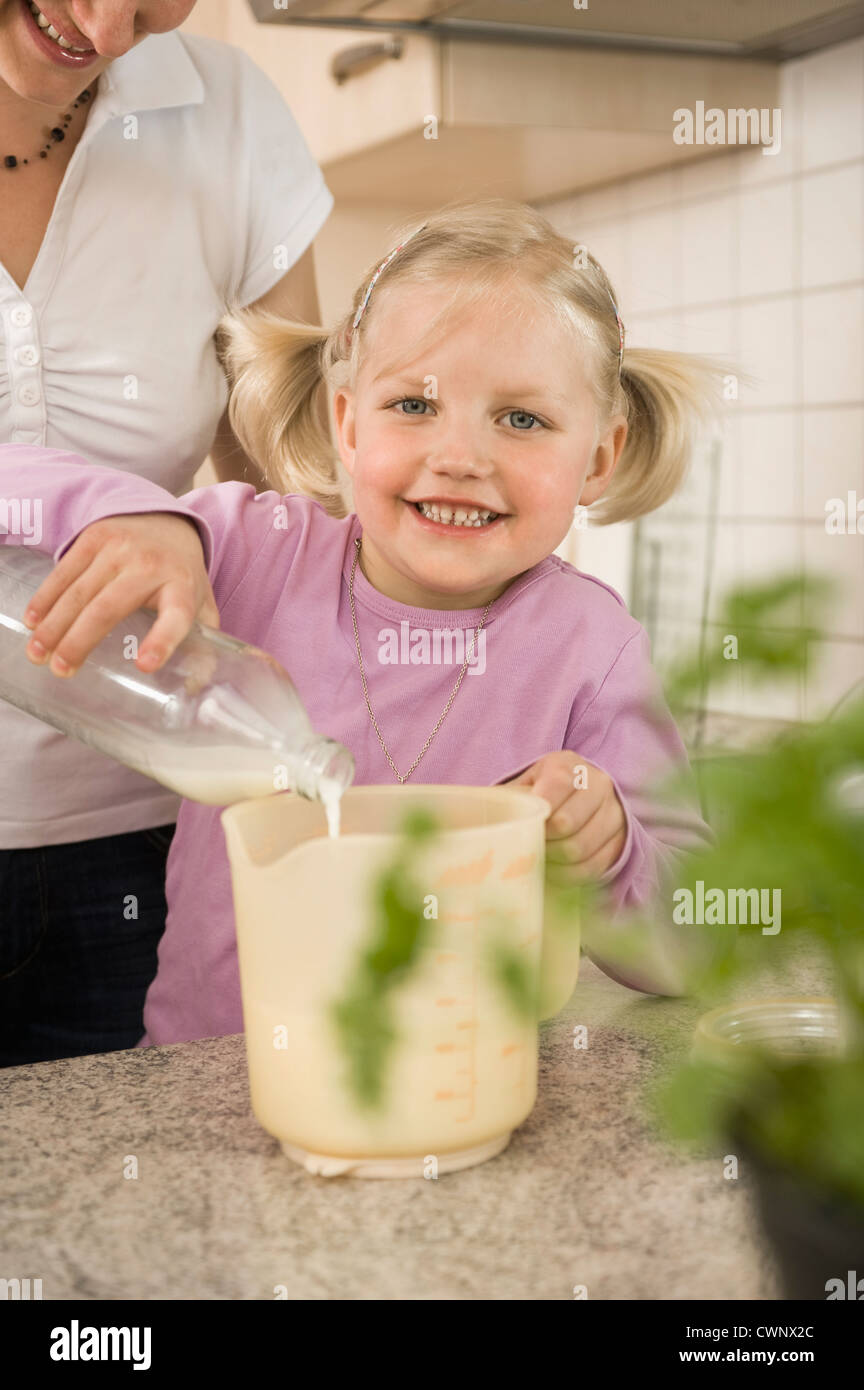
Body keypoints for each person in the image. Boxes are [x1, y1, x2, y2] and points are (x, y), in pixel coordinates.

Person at [0, 198, 719, 1048]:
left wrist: (615, 855)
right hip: (204, 1090)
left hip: (455, 1088)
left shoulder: (592, 650)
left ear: (598, 456)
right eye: (414, 406)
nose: (459, 457)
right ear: (346, 421)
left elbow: (699, 947)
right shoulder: (245, 553)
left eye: (521, 419)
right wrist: (131, 515)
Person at [0, 0, 332, 1064]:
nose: (102, 26)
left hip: (143, 833)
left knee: (130, 1215)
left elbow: (292, 479)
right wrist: (110, 503)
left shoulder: (226, 116)